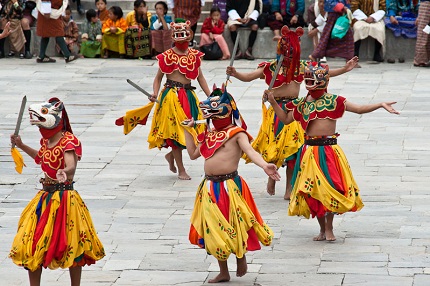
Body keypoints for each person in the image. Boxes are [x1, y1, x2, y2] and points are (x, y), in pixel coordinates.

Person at [264, 62, 399, 241]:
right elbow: (285, 119)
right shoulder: (301, 104)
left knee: (333, 187)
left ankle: (329, 227)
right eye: (307, 80)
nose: (308, 83)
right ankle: (321, 229)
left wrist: (380, 104)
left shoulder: (335, 101)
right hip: (309, 152)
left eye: (312, 80)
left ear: (323, 81)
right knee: (314, 193)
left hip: (329, 151)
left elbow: (359, 109)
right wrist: (273, 102)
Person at [226, 25, 359, 200]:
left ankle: (289, 188)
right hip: (276, 112)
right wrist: (236, 74)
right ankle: (271, 178)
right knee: (273, 150)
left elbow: (323, 74)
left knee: (293, 152)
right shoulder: (271, 67)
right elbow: (249, 76)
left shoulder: (302, 67)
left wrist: (344, 69)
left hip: (294, 111)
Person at [183, 87, 280, 283]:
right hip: (209, 187)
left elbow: (251, 152)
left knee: (235, 224)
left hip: (230, 186)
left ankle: (240, 257)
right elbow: (193, 154)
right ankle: (223, 271)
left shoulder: (237, 133)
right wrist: (188, 130)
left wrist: (264, 166)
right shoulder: (208, 133)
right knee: (214, 228)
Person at [9, 97, 105, 286]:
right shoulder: (46, 141)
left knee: (72, 245)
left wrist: (65, 171)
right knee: (31, 243)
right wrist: (21, 145)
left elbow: (70, 165)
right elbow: (41, 158)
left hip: (65, 198)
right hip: (45, 197)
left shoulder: (68, 140)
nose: (39, 130)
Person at [148, 19, 211, 180]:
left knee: (192, 131)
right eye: (179, 37)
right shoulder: (167, 56)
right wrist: (155, 93)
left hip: (189, 96)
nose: (183, 40)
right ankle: (181, 169)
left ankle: (171, 156)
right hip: (171, 96)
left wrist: (211, 96)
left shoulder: (194, 55)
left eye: (185, 36)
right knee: (176, 133)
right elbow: (158, 79)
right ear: (174, 38)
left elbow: (201, 78)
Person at [413, 0, 430, 67]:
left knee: (424, 33)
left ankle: (422, 60)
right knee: (425, 32)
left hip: (426, 5)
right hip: (426, 5)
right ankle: (422, 59)